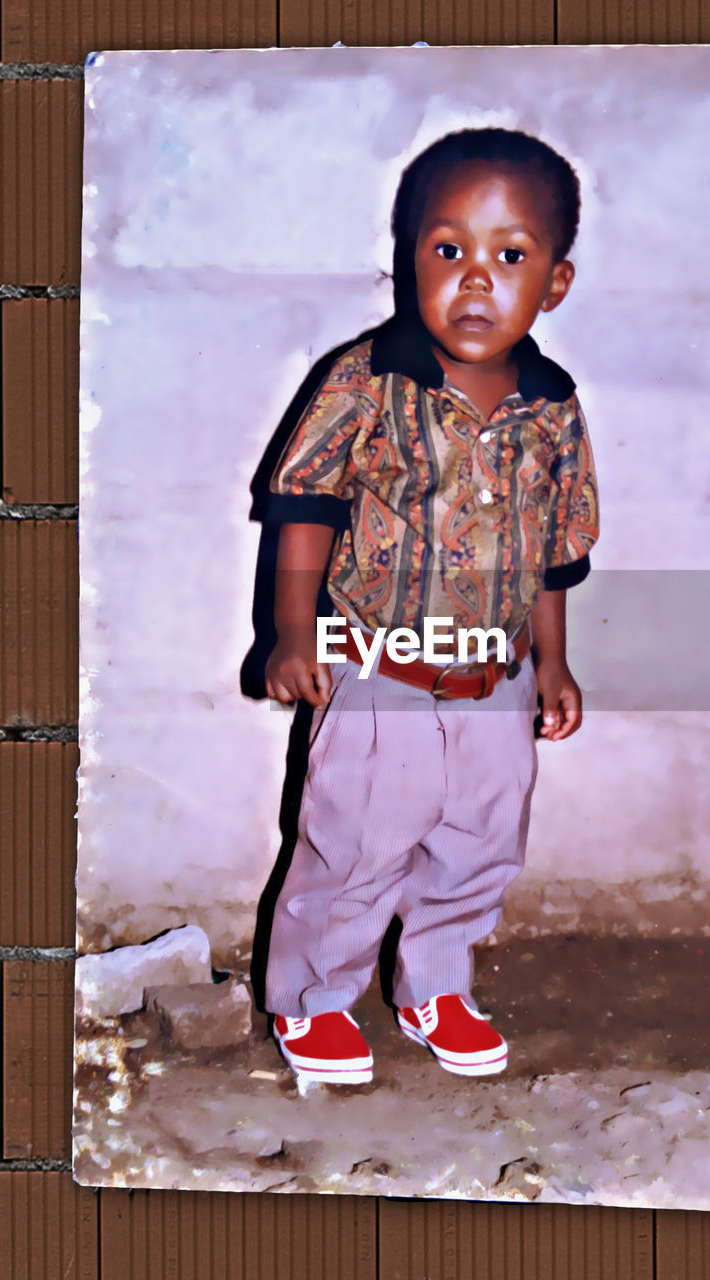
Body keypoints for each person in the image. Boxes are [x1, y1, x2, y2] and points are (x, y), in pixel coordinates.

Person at [259, 128, 599, 1086]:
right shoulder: (367, 381)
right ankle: (315, 999)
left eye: (510, 256)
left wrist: (555, 664)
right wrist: (293, 633)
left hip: (497, 673)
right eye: (449, 250)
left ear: (556, 283)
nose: (477, 280)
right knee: (357, 841)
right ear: (409, 262)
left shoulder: (554, 406)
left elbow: (554, 550)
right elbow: (306, 509)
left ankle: (435, 984)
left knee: (480, 842)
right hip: (381, 668)